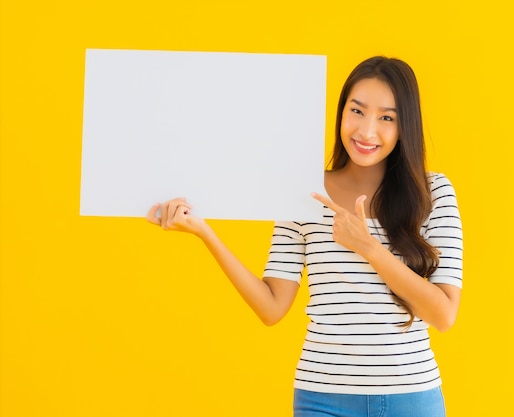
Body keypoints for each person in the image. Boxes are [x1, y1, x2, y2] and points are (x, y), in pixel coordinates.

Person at [147, 56, 463, 417]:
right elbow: (271, 308)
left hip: (412, 397)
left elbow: (444, 315)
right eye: (357, 111)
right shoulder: (303, 191)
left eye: (386, 118)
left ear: (405, 126)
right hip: (323, 399)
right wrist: (203, 232)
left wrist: (370, 248)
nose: (366, 131)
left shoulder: (432, 193)